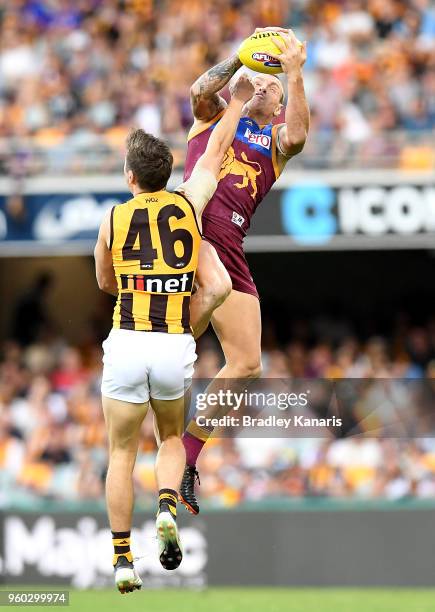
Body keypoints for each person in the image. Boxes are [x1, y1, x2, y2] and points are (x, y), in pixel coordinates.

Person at [94, 74, 254, 594]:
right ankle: (166, 506)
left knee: (121, 453)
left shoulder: (114, 218)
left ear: (129, 175)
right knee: (168, 438)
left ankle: (122, 559)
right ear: (165, 173)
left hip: (127, 336)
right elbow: (215, 151)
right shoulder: (188, 202)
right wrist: (240, 105)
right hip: (172, 342)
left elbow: (104, 281)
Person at [180, 28, 310, 514]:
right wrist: (238, 61)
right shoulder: (216, 115)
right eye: (259, 79)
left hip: (230, 244)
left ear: (279, 101)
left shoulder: (275, 139)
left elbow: (298, 136)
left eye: (270, 85)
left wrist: (292, 75)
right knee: (175, 342)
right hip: (191, 235)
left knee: (248, 363)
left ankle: (190, 456)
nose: (263, 86)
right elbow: (198, 92)